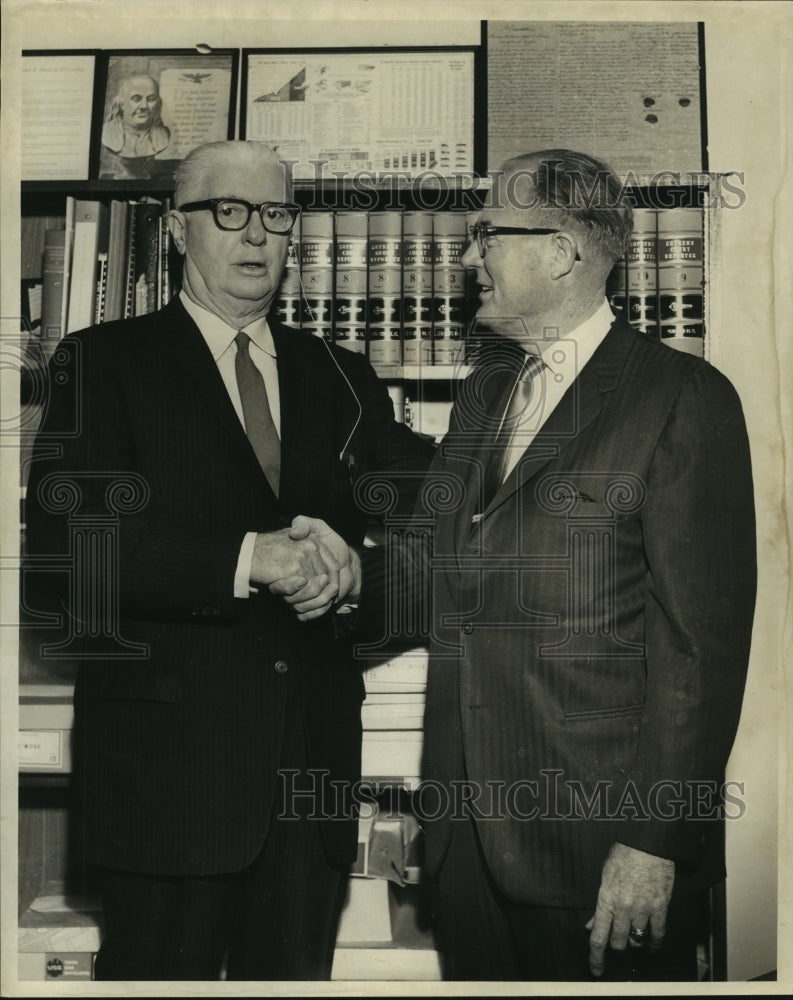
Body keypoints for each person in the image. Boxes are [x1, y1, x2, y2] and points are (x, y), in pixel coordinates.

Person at [281, 149, 757, 982]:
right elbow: (433, 569)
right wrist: (341, 575)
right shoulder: (485, 396)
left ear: (563, 252)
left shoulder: (683, 398)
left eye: (485, 236)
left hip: (599, 845)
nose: (468, 261)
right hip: (465, 840)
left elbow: (699, 654)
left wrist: (651, 839)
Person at [23, 140, 433, 981]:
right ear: (177, 229)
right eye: (229, 212)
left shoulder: (343, 375)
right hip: (167, 790)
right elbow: (65, 567)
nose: (256, 234)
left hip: (306, 792)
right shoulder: (104, 363)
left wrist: (356, 577)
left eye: (276, 214)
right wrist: (252, 558)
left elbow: (447, 526)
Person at [100, 73, 171, 179]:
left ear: (158, 103)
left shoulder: (163, 135)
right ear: (121, 103)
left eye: (151, 99)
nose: (144, 106)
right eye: (136, 99)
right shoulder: (107, 133)